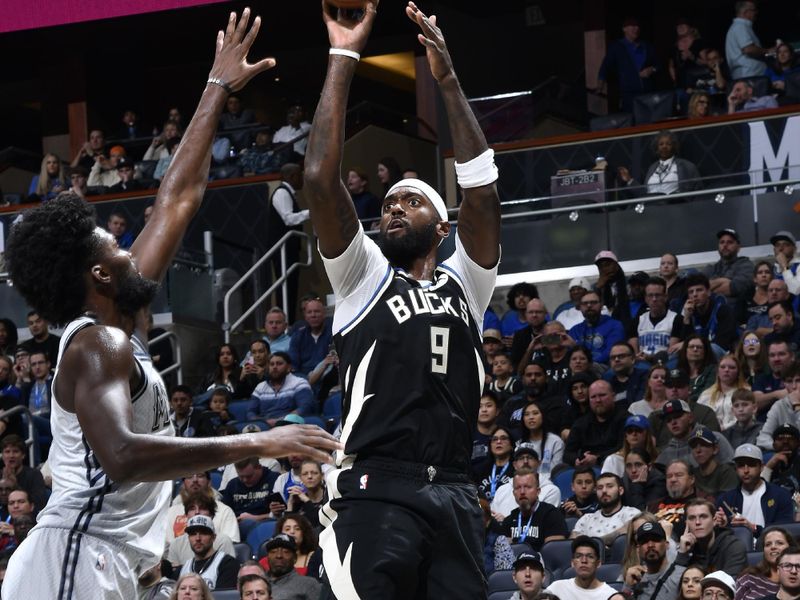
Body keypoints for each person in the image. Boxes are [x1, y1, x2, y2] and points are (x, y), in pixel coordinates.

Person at [1, 14, 340, 597]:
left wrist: (217, 86)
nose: (133, 249)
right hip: (74, 555)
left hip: (108, 560)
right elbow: (125, 457)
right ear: (100, 274)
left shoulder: (119, 318)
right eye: (118, 245)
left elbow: (177, 198)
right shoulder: (95, 342)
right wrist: (259, 440)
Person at [303, 2, 501, 597]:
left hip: (456, 492)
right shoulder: (361, 273)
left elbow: (484, 189)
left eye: (410, 201)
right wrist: (343, 55)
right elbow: (319, 178)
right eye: (387, 203)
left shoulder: (466, 280)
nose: (393, 207)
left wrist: (446, 80)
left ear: (444, 227)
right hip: (376, 487)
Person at [716, 443, 794, 535]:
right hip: (737, 548)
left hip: (771, 547)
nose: (746, 471)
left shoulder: (781, 495)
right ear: (735, 469)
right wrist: (724, 526)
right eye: (741, 465)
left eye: (751, 464)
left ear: (761, 467)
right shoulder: (725, 500)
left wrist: (754, 528)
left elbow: (785, 531)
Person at [267, 163, 309, 322]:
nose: (302, 179)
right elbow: (288, 218)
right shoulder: (282, 193)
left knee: (291, 286)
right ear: (291, 177)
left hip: (289, 248)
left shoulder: (288, 193)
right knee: (285, 286)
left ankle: (288, 320)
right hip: (282, 249)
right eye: (300, 175)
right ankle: (286, 321)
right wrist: (311, 212)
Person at [495, 468, 567, 551]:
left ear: (538, 491)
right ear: (513, 493)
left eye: (527, 487)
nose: (522, 492)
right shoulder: (509, 520)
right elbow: (503, 554)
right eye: (518, 488)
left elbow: (553, 553)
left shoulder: (552, 515)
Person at [596, 17, 659, 112]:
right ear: (624, 29)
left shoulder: (646, 46)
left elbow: (659, 65)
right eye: (632, 26)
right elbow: (605, 66)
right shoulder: (617, 47)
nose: (636, 28)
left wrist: (652, 70)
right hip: (629, 95)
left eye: (637, 26)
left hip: (648, 93)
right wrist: (600, 86)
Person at [563, 379, 630, 468]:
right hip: (585, 468)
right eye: (593, 397)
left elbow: (623, 448)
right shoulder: (581, 423)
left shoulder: (626, 419)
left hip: (615, 465)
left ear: (613, 396)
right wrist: (577, 459)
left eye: (602, 395)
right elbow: (568, 453)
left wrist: (597, 458)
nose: (598, 400)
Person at [617, 131, 702, 197]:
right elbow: (645, 194)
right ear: (657, 148)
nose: (664, 146)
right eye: (661, 144)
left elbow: (696, 191)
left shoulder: (686, 166)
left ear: (674, 147)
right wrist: (629, 180)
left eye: (668, 144)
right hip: (652, 209)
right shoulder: (652, 168)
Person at [622, 520, 689, 600]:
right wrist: (628, 587)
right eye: (644, 541)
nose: (650, 545)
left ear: (667, 545)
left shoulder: (682, 575)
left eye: (655, 539)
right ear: (638, 549)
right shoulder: (635, 578)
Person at [647, 459, 712, 539]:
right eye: (669, 476)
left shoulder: (704, 502)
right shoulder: (653, 505)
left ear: (691, 479)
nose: (673, 480)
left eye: (679, 475)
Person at [680, 498, 748, 574]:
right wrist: (682, 555)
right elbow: (673, 585)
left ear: (714, 521)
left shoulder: (733, 546)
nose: (697, 522)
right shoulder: (685, 547)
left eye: (703, 517)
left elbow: (731, 583)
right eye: (692, 518)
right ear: (686, 523)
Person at [492, 445, 561, 518]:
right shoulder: (502, 490)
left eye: (530, 458)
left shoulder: (551, 491)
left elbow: (542, 521)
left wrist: (506, 522)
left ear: (539, 463)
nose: (525, 462)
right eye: (521, 458)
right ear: (514, 465)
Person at [571, 472, 641, 544]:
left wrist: (595, 543)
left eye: (609, 486)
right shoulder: (586, 519)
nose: (604, 491)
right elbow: (573, 542)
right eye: (600, 488)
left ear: (620, 491)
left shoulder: (632, 513)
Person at [247, 352, 314, 425]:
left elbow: (305, 407)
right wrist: (262, 423)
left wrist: (281, 420)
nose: (274, 367)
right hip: (266, 427)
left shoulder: (299, 383)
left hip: (291, 426)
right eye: (271, 364)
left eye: (279, 364)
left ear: (288, 368)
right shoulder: (260, 387)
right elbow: (251, 412)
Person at [178, 514, 240, 590]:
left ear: (213, 537)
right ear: (188, 538)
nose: (198, 538)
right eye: (193, 534)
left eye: (203, 533)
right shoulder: (183, 568)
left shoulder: (227, 563)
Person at [544, 535, 618, 599]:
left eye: (590, 556)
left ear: (598, 563)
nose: (584, 561)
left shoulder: (610, 595)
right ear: (572, 563)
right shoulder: (557, 588)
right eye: (578, 556)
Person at [568, 290, 626, 366]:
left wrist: (588, 364)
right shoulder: (575, 330)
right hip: (579, 367)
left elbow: (611, 352)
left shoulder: (614, 325)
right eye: (585, 303)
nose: (589, 305)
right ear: (580, 307)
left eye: (593, 302)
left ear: (601, 305)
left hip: (605, 367)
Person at [735, 526, 793, 600]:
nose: (773, 547)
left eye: (779, 543)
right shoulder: (749, 578)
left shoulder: (796, 580)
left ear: (791, 548)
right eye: (768, 544)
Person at [697, 354, 750, 430]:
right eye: (722, 367)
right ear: (718, 372)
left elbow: (748, 417)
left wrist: (725, 428)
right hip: (710, 434)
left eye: (732, 367)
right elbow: (698, 417)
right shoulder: (706, 395)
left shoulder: (746, 391)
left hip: (738, 433)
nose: (726, 370)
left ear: (738, 372)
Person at [632, 277, 678, 363]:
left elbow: (671, 353)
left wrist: (651, 357)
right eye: (650, 295)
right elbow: (635, 353)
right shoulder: (637, 320)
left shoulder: (676, 319)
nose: (654, 299)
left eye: (658, 295)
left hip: (666, 363)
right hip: (642, 364)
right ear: (645, 298)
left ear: (665, 297)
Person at [263, 533, 321, 600]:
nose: (279, 555)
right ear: (267, 557)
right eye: (273, 551)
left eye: (286, 552)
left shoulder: (308, 584)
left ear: (295, 558)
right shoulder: (258, 582)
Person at [725, 0, 773, 79]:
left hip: (751, 76)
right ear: (745, 12)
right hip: (750, 77)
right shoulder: (740, 26)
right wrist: (768, 51)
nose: (756, 13)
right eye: (754, 10)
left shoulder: (740, 27)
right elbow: (748, 49)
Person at [689, 427, 738, 496]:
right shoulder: (693, 474)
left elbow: (727, 502)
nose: (698, 450)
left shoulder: (726, 472)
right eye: (694, 446)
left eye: (703, 445)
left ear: (715, 449)